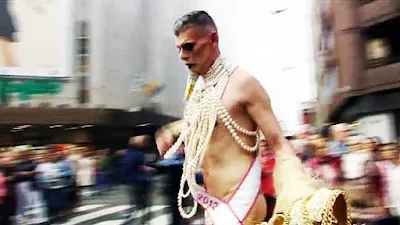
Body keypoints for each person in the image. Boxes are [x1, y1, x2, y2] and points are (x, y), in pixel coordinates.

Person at [155, 11, 350, 225]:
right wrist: (171, 130)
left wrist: (299, 190)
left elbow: (279, 144)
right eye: (179, 49)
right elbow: (209, 120)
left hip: (243, 205)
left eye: (189, 46)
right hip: (214, 208)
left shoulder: (243, 84)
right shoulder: (198, 91)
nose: (183, 55)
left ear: (213, 39)